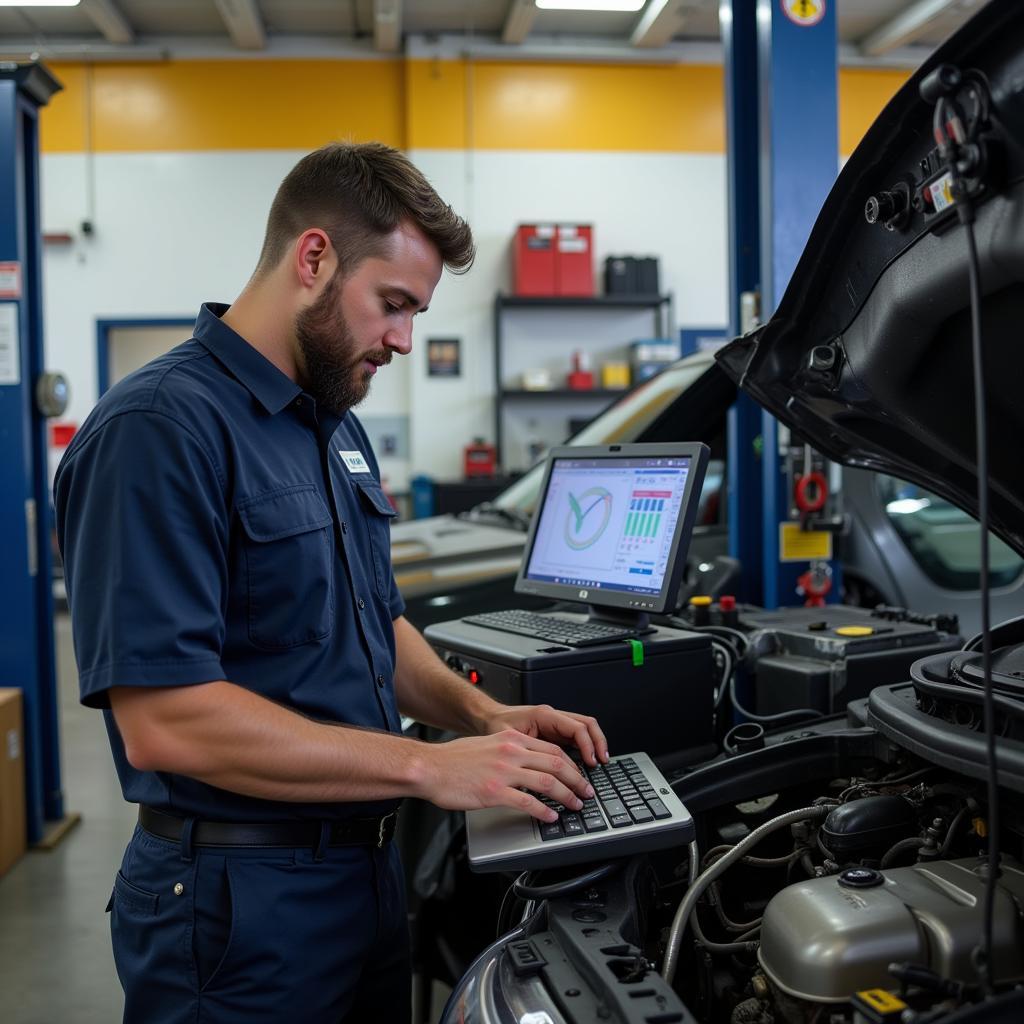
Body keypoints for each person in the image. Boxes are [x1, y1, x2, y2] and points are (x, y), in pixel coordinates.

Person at [54, 141, 608, 1024]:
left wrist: (481, 716)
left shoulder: (332, 425)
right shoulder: (161, 429)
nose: (403, 340)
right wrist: (427, 765)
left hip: (362, 879)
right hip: (239, 909)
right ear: (313, 258)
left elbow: (375, 627)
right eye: (391, 304)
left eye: (416, 313)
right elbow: (167, 724)